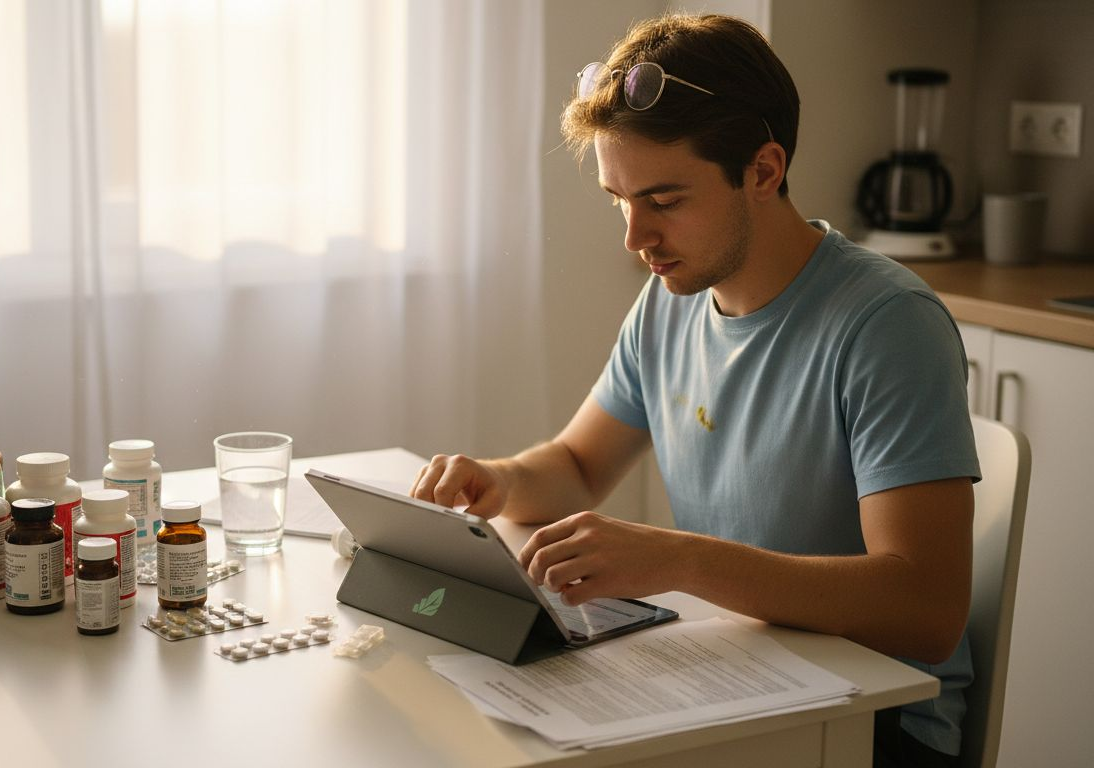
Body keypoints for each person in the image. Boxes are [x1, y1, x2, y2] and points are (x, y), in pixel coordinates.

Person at [409, 14, 979, 768]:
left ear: (764, 171)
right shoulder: (671, 298)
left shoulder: (886, 325)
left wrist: (680, 560)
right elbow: (580, 467)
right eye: (620, 199)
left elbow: (926, 610)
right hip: (741, 685)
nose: (634, 236)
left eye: (665, 201)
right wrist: (499, 480)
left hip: (877, 725)